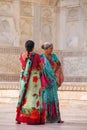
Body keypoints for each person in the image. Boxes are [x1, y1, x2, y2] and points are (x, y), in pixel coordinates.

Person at [16, 40, 45, 125]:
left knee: (24, 96)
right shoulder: (36, 56)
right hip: (33, 79)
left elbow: (23, 66)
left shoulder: (22, 55)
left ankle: (20, 117)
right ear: (33, 47)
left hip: (24, 78)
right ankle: (33, 118)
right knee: (34, 97)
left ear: (25, 47)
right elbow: (41, 67)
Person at [40, 42, 64, 123]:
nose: (52, 50)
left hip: (53, 81)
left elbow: (59, 65)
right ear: (46, 49)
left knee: (54, 98)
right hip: (45, 82)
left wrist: (56, 74)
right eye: (51, 48)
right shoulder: (41, 57)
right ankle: (45, 117)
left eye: (52, 48)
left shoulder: (54, 56)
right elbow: (39, 69)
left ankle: (57, 118)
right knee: (46, 99)